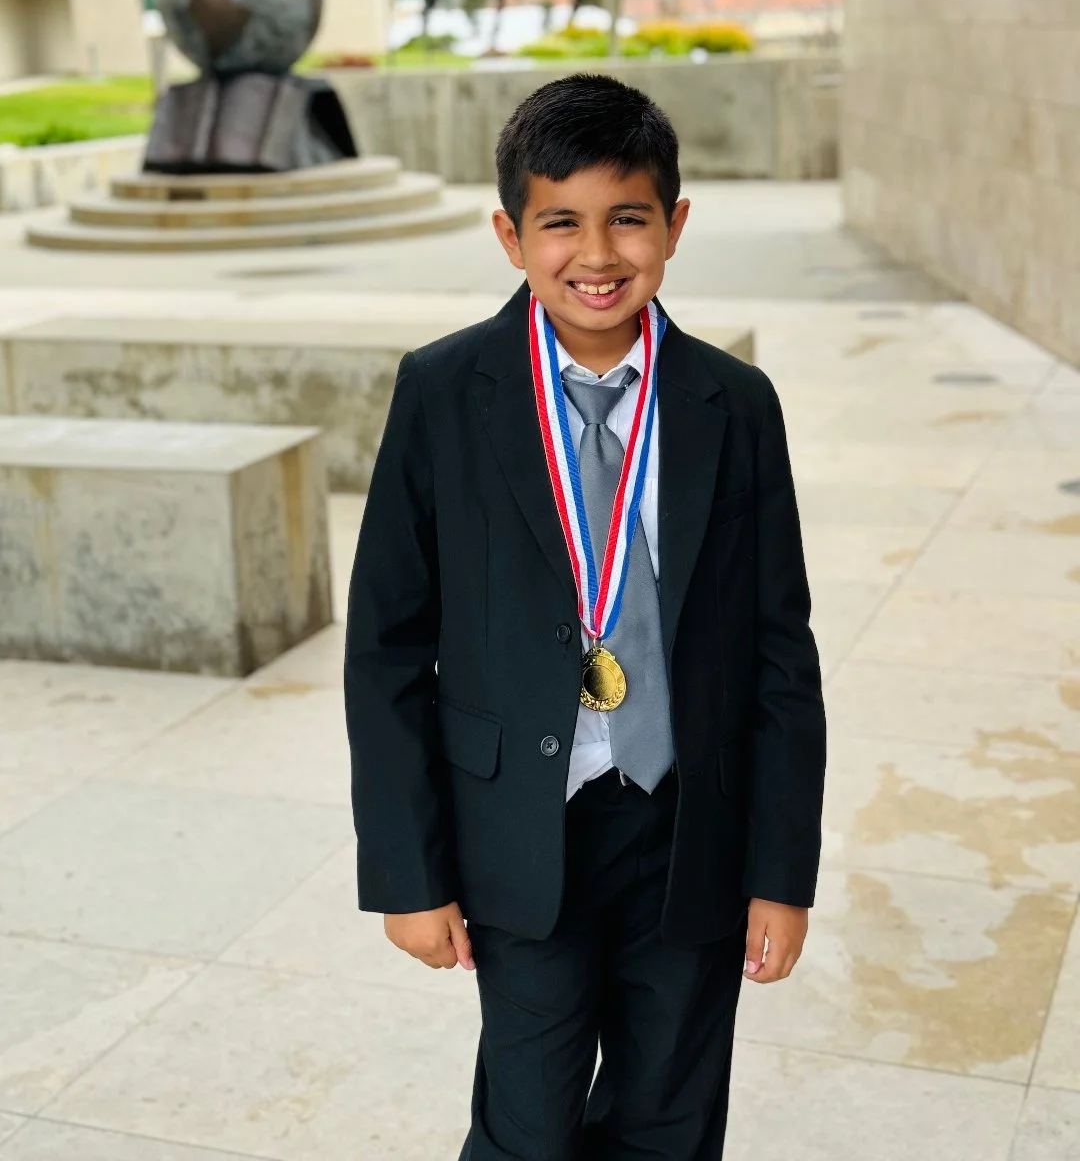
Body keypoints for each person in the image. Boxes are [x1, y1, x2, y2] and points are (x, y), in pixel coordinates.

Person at [344, 72, 827, 1160]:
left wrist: (780, 872)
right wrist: (408, 876)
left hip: (690, 833)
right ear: (511, 234)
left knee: (671, 1113)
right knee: (529, 1121)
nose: (597, 255)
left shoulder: (733, 406)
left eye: (629, 219)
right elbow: (386, 646)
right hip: (521, 831)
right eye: (561, 221)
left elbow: (778, 652)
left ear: (676, 226)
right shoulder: (445, 393)